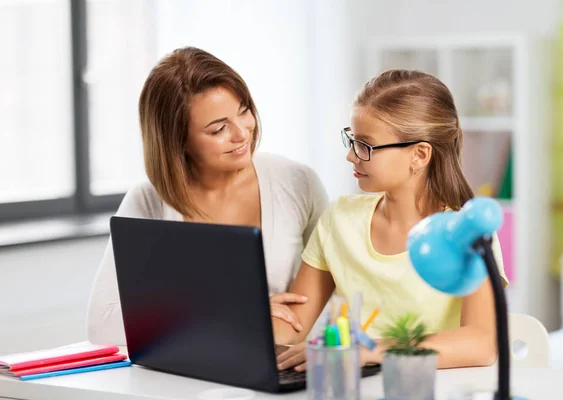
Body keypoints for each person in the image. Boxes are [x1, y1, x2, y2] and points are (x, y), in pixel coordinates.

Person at [86, 47, 328, 345]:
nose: (242, 134)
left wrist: (189, 316)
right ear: (178, 141)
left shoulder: (297, 183)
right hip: (189, 379)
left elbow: (326, 299)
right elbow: (102, 325)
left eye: (244, 111)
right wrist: (242, 312)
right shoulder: (148, 201)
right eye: (218, 129)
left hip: (283, 369)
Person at [273, 69, 508, 371]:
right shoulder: (340, 219)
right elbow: (293, 327)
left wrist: (373, 349)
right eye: (352, 140)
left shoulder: (465, 235)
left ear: (420, 155)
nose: (351, 156)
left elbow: (481, 344)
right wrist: (261, 318)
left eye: (366, 145)